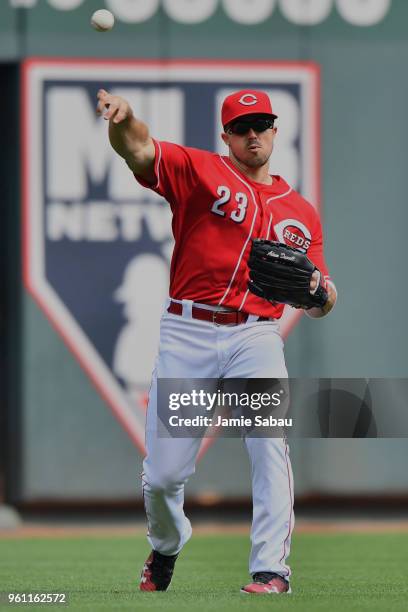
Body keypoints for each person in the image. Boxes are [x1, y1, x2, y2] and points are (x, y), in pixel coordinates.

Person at [96, 87, 337, 595]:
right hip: (189, 332)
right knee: (162, 478)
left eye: (262, 124)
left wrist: (321, 290)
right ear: (226, 135)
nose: (254, 135)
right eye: (242, 127)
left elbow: (320, 301)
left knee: (269, 443)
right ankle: (166, 544)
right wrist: (125, 119)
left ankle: (272, 570)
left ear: (275, 130)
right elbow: (139, 149)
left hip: (256, 335)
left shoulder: (302, 213)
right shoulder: (199, 172)